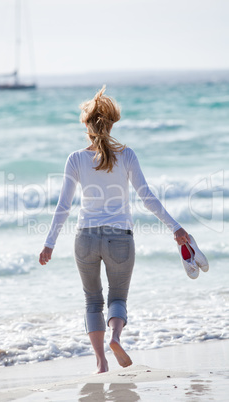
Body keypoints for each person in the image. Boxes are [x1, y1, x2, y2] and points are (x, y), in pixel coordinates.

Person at [39, 86, 190, 374]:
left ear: (86, 125)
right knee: (117, 299)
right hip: (120, 238)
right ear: (111, 124)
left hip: (85, 238)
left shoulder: (75, 159)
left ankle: (100, 363)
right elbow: (147, 197)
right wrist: (176, 227)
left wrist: (49, 244)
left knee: (92, 300)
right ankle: (116, 337)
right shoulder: (128, 155)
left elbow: (63, 207)